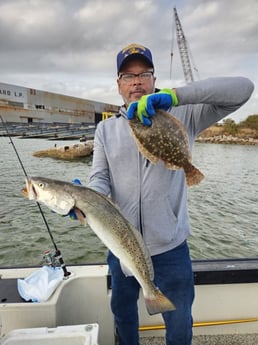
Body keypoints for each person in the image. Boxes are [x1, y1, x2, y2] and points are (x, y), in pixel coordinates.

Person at [87, 43, 254, 345]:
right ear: (119, 85)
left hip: (171, 248)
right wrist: (86, 200)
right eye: (128, 75)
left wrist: (177, 96)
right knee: (123, 315)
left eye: (144, 74)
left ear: (154, 79)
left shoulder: (184, 115)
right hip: (121, 244)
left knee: (178, 322)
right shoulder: (106, 131)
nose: (136, 81)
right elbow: (99, 178)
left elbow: (243, 88)